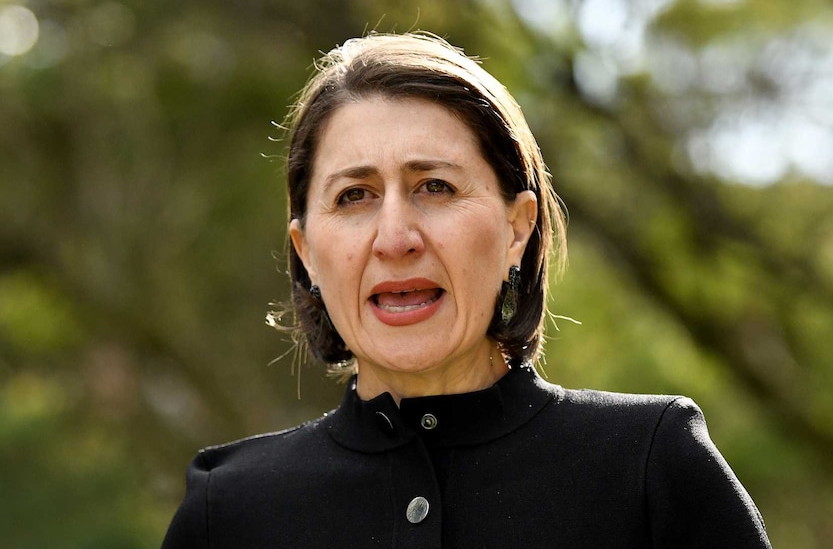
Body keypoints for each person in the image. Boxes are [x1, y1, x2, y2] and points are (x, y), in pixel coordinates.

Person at [161, 32, 772, 548]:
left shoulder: (648, 466)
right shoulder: (229, 512)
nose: (394, 238)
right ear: (307, 254)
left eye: (435, 187)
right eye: (355, 196)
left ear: (517, 228)